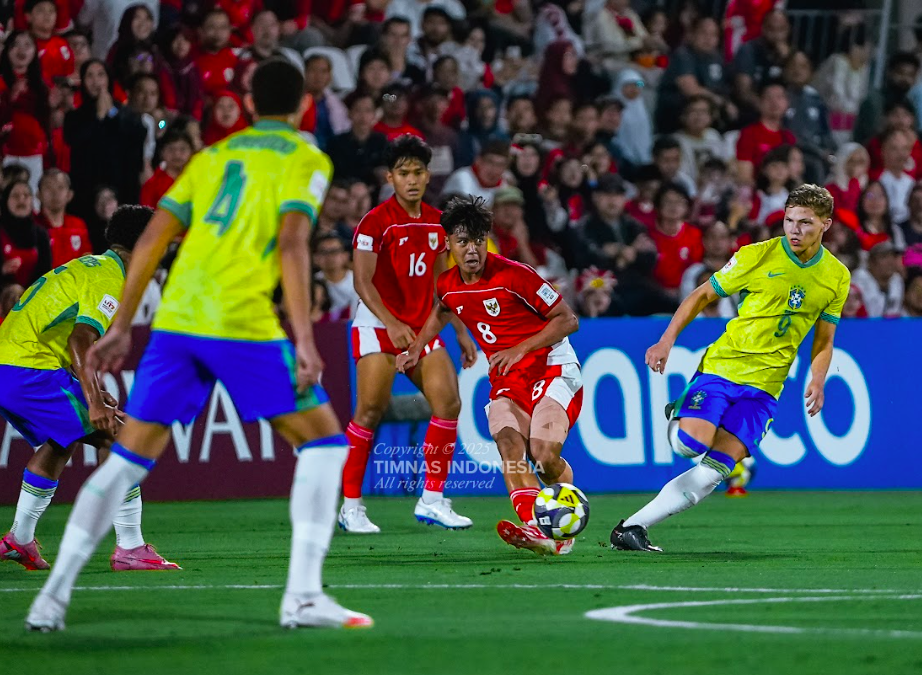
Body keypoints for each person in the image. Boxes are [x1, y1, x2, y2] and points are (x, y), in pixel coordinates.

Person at [24, 58, 372, 632]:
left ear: (251, 104)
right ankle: (304, 596)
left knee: (124, 464)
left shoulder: (212, 157)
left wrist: (120, 325)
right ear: (304, 105)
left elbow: (154, 235)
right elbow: (291, 242)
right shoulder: (307, 157)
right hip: (240, 323)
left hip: (178, 322)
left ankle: (51, 600)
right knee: (326, 445)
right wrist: (305, 339)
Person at [612, 184, 850, 552]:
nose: (794, 229)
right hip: (723, 369)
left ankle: (632, 528)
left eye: (805, 222)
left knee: (715, 472)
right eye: (789, 220)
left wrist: (818, 380)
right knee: (690, 447)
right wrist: (666, 340)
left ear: (826, 224)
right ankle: (680, 410)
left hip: (766, 389)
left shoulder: (837, 275)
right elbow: (702, 294)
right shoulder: (757, 255)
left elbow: (824, 339)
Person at [397, 195, 582, 556]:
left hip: (552, 366)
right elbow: (443, 309)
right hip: (508, 380)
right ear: (447, 243)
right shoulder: (447, 283)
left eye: (478, 240)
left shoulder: (515, 275)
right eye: (463, 241)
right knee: (510, 448)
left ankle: (565, 513)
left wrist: (521, 348)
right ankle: (540, 529)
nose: (472, 249)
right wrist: (417, 347)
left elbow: (568, 319)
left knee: (542, 456)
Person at [0, 205, 178, 572]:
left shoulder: (91, 266)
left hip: (13, 366)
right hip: (29, 369)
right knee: (121, 437)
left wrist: (92, 387)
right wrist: (94, 403)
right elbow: (81, 339)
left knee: (60, 442)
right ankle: (130, 547)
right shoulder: (110, 279)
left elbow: (62, 333)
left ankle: (19, 540)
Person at [341, 134, 477, 534]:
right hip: (377, 326)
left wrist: (462, 330)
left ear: (427, 174)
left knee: (448, 403)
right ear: (390, 177)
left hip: (421, 329)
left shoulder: (439, 223)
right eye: (404, 173)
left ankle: (432, 500)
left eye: (418, 172)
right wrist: (393, 323)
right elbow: (362, 283)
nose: (412, 180)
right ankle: (351, 507)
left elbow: (443, 284)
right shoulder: (375, 222)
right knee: (370, 411)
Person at [35, 169, 92, 267]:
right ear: (38, 195)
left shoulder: (78, 224)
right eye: (48, 188)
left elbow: (86, 257)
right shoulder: (33, 225)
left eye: (60, 188)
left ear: (69, 195)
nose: (55, 193)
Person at [0, 179, 51, 287]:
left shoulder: (41, 234)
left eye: (26, 195)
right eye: (15, 196)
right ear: (5, 201)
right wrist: (2, 269)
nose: (21, 199)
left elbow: (46, 273)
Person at [851, 240, 904, 318]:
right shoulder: (858, 280)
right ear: (871, 262)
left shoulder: (897, 280)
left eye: (893, 257)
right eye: (884, 257)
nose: (890, 262)